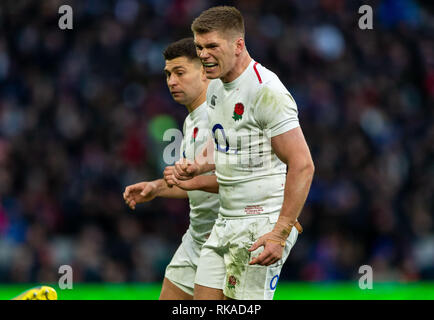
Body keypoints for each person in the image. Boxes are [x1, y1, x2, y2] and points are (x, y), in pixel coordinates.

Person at [166, 6, 315, 300]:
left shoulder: (265, 90)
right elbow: (226, 140)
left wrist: (279, 233)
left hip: (260, 222)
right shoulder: (217, 89)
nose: (204, 54)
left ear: (238, 45)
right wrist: (197, 165)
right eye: (199, 47)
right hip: (224, 223)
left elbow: (302, 164)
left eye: (211, 46)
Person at [123, 38, 220, 300]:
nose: (171, 82)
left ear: (203, 70)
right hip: (197, 236)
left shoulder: (222, 115)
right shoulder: (191, 120)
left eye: (179, 73)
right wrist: (156, 187)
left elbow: (238, 177)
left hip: (226, 240)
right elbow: (192, 182)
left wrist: (186, 183)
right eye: (168, 74)